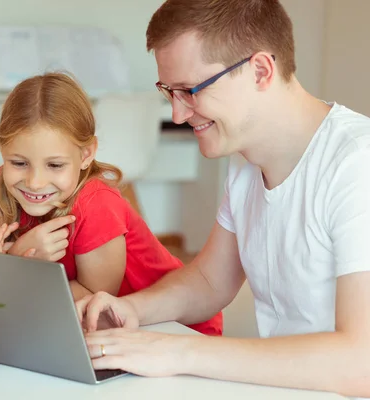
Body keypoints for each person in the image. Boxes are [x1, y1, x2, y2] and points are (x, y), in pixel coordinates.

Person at [75, 0, 370, 398]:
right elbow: (210, 280)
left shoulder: (356, 164)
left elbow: (360, 362)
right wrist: (133, 310)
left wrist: (182, 352)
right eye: (170, 92)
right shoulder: (247, 162)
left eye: (191, 91)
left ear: (260, 71)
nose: (178, 115)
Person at [0, 72, 223, 336]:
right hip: (95, 325)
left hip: (174, 326)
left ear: (86, 155)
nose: (35, 182)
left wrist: (21, 266)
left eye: (55, 165)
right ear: (1, 148)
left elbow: (93, 302)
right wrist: (15, 263)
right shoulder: (0, 190)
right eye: (19, 163)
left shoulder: (96, 205)